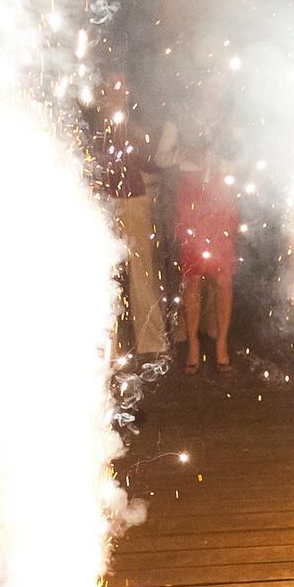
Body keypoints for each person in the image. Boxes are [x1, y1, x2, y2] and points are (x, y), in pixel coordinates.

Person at [89, 78, 168, 360]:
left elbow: (149, 158)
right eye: (110, 88)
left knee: (142, 273)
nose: (115, 93)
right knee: (104, 275)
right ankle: (107, 346)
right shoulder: (95, 125)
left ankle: (152, 342)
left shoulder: (134, 124)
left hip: (133, 200)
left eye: (120, 88)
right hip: (104, 204)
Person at [157, 124, 241, 374]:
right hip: (190, 199)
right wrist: (184, 154)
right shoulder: (179, 119)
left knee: (223, 276)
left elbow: (242, 160)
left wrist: (218, 159)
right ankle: (193, 344)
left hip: (221, 196)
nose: (211, 91)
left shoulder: (229, 121)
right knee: (192, 276)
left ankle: (221, 343)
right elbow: (161, 157)